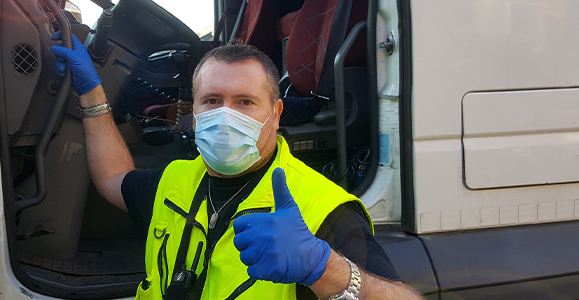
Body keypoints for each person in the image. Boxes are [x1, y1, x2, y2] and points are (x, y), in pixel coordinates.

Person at [50, 32, 422, 300]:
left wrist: (325, 269)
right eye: (212, 101)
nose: (226, 115)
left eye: (245, 102)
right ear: (192, 113)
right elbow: (113, 178)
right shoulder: (175, 182)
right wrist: (92, 91)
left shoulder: (321, 209)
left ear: (275, 114)